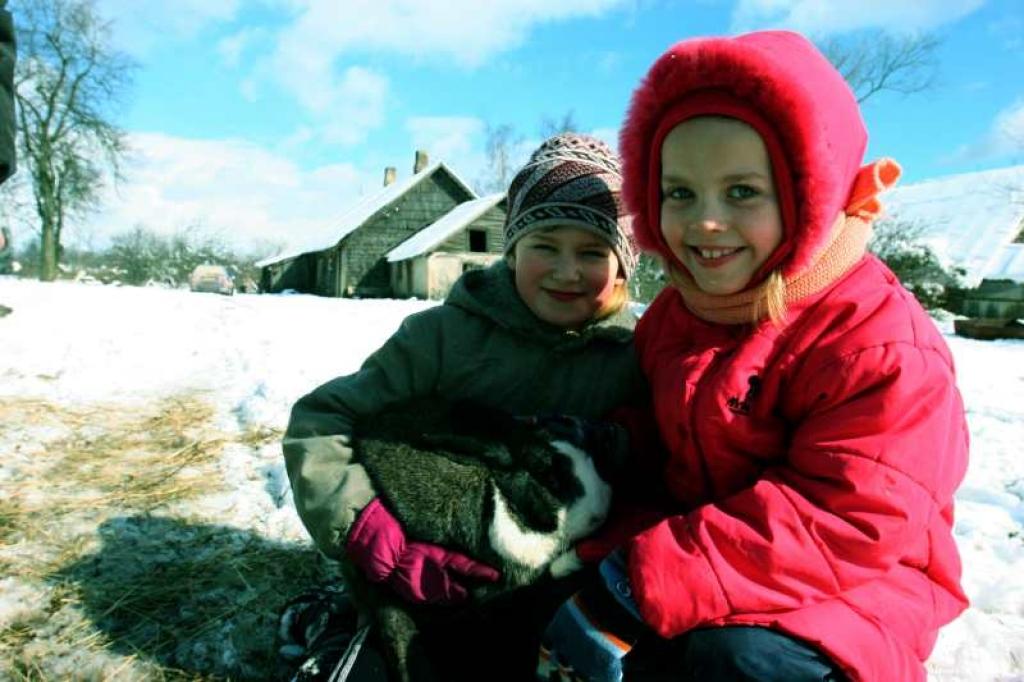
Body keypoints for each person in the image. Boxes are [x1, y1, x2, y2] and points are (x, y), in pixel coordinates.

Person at [537, 30, 969, 682]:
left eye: (741, 192)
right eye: (679, 193)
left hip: (849, 585)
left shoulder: (876, 345)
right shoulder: (675, 319)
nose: (705, 221)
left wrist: (635, 582)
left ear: (811, 195)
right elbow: (654, 445)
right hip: (700, 554)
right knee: (537, 596)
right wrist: (586, 466)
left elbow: (847, 517)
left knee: (736, 662)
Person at [282, 132, 645, 680]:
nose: (567, 271)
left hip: (559, 583)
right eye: (545, 244)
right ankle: (342, 628)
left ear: (622, 266)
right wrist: (370, 531)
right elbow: (321, 424)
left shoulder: (634, 359)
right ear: (513, 246)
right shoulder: (444, 338)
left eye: (592, 251)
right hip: (421, 570)